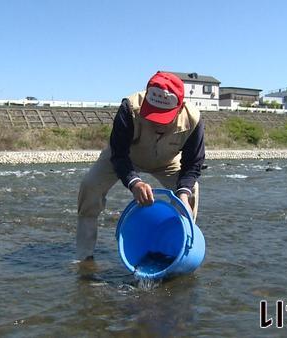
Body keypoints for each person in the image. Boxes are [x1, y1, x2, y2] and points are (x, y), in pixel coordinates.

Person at [76, 71, 205, 261]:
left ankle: (181, 253)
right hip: (126, 157)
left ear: (179, 108)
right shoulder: (129, 108)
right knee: (90, 185)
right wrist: (134, 182)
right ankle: (84, 257)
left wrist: (183, 193)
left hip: (166, 162)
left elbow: (193, 163)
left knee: (190, 192)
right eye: (152, 114)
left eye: (163, 116)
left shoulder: (193, 119)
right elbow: (118, 154)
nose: (156, 122)